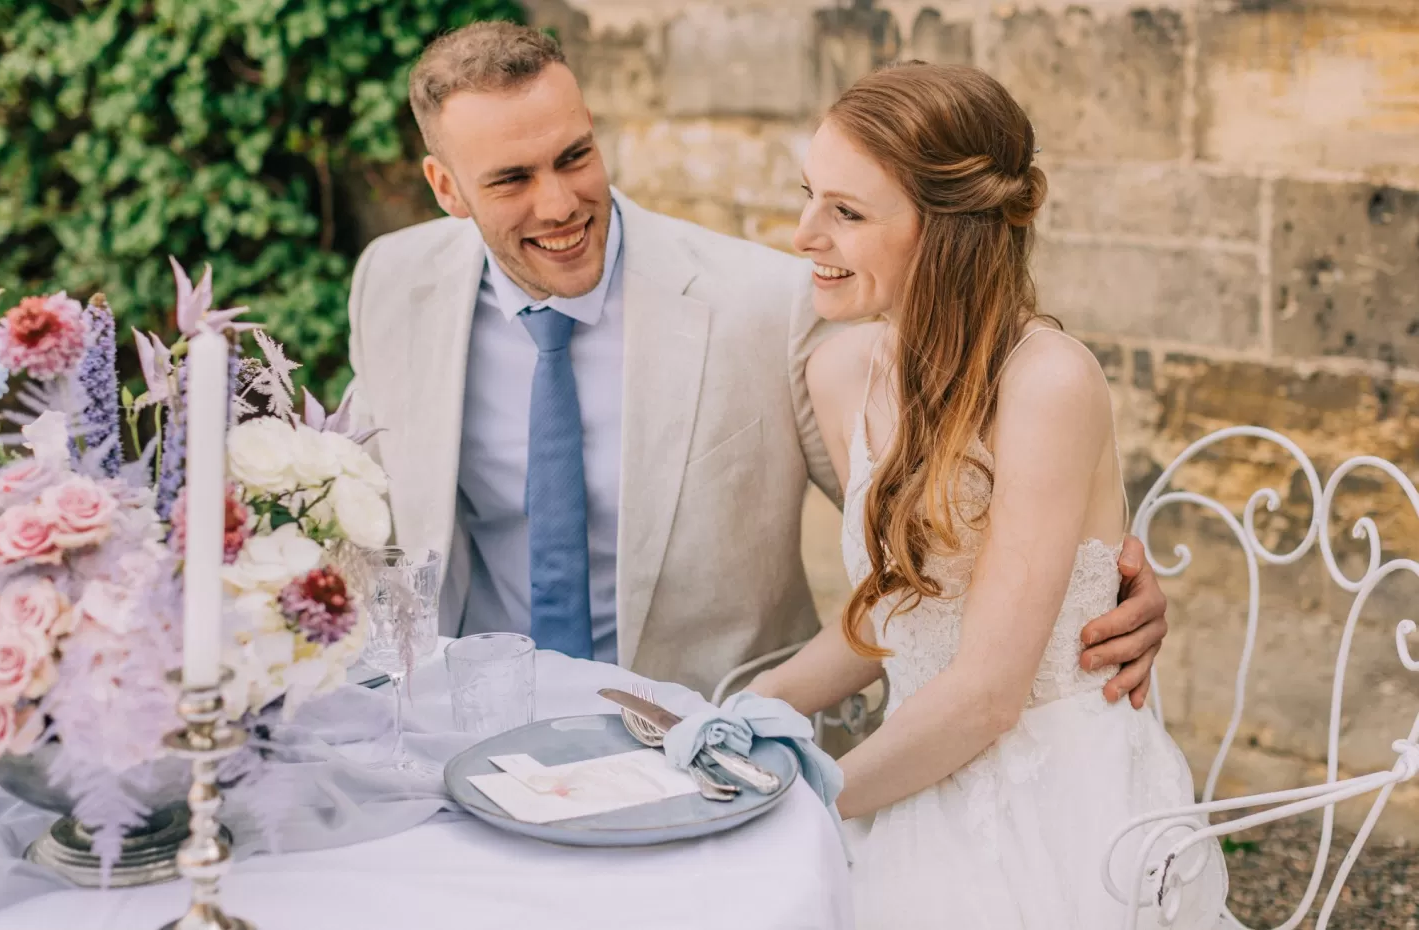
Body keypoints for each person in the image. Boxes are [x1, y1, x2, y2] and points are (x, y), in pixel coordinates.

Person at [343, 21, 1169, 705]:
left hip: (705, 736)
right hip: (470, 722)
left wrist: (1101, 585)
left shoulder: (771, 304)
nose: (558, 204)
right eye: (512, 180)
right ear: (446, 188)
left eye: (574, 156)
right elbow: (366, 513)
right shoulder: (392, 282)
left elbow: (938, 532)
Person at [745, 62, 1227, 926]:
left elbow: (988, 694)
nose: (803, 233)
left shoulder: (1048, 384)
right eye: (809, 194)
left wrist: (806, 798)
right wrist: (748, 713)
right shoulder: (842, 369)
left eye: (846, 213)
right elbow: (895, 622)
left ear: (945, 233)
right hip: (913, 768)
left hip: (1061, 812)